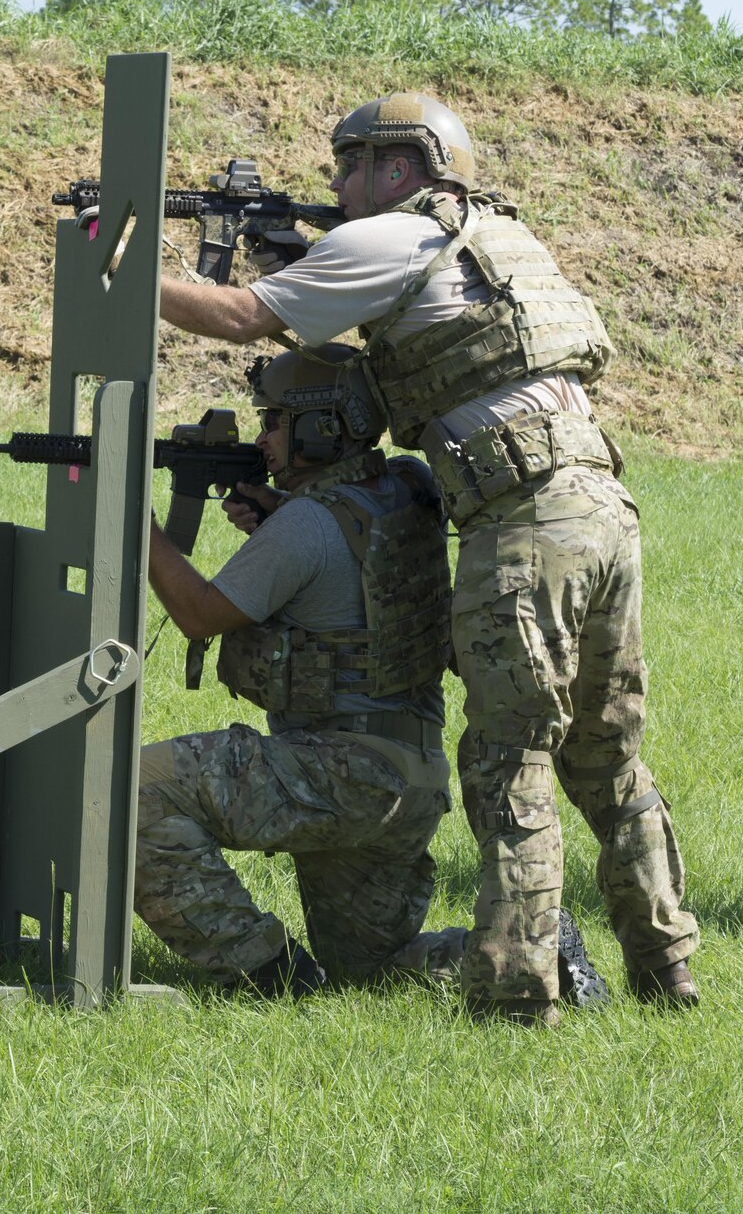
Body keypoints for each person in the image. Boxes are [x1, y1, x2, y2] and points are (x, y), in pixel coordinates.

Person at [155, 91, 699, 1024]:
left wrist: (114, 275)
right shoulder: (502, 238)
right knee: (607, 758)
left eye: (348, 163)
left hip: (523, 518)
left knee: (507, 760)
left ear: (400, 167)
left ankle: (517, 997)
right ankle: (666, 964)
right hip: (603, 502)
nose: (334, 182)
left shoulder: (393, 237)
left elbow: (245, 317)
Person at [137, 347, 471, 997]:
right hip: (413, 780)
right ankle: (518, 950)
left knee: (127, 791)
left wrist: (136, 522)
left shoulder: (306, 524)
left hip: (341, 774)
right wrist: (280, 511)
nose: (261, 439)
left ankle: (264, 971)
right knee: (367, 972)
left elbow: (199, 613)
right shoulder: (399, 491)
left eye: (275, 421)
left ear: (322, 428)